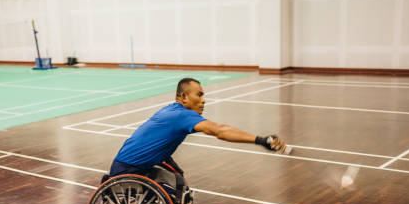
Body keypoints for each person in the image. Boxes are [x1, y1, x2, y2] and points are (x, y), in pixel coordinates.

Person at [109, 77, 288, 178]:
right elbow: (220, 131)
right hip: (128, 169)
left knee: (178, 180)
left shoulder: (174, 110)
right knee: (171, 191)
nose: (203, 100)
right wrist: (260, 140)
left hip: (138, 162)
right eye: (199, 95)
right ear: (184, 97)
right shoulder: (181, 115)